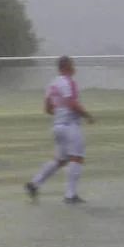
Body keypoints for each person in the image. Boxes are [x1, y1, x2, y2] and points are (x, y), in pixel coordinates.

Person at [26, 56, 95, 204]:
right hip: (70, 125)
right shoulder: (69, 83)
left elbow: (47, 108)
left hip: (57, 126)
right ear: (67, 67)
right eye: (73, 65)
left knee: (60, 160)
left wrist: (59, 114)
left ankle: (34, 183)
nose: (75, 68)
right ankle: (70, 195)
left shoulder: (52, 84)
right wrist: (87, 115)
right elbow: (72, 103)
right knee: (77, 158)